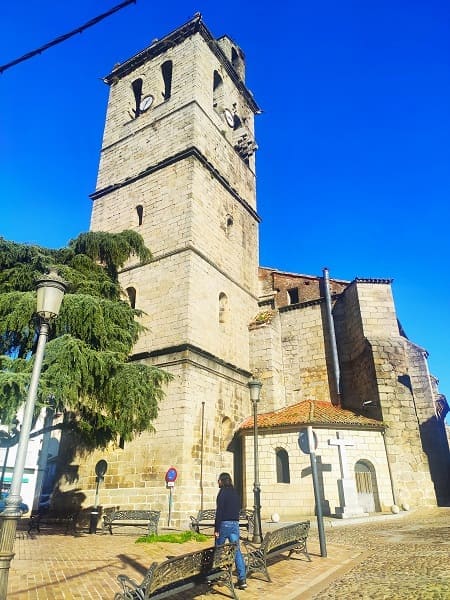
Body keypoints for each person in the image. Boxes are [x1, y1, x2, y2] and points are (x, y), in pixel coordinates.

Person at [214, 472, 247, 590]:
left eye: (218, 480)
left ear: (222, 481)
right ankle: (242, 579)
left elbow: (220, 512)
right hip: (235, 524)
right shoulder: (235, 493)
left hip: (224, 524)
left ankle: (216, 575)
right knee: (237, 551)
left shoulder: (222, 493)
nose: (217, 482)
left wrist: (217, 529)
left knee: (218, 549)